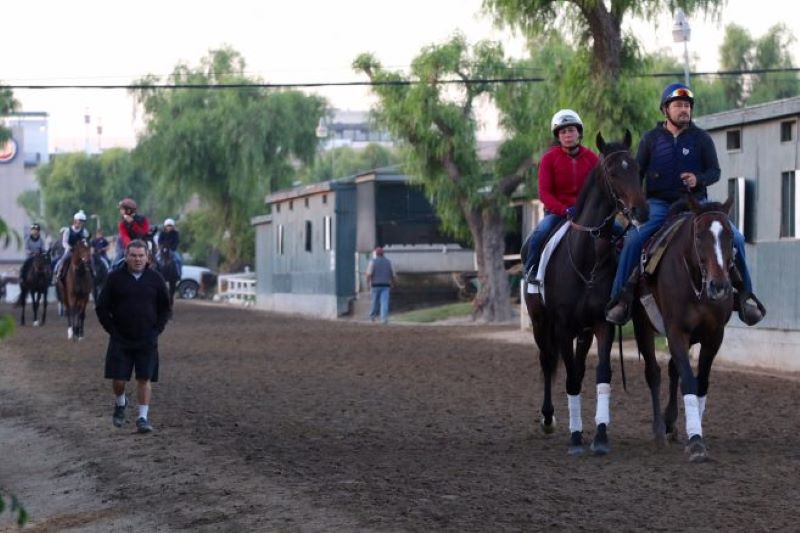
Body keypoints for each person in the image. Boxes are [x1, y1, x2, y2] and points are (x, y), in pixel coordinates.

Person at [606, 82, 765, 326]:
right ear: (665, 110)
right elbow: (637, 175)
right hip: (659, 204)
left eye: (687, 106)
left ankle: (745, 297)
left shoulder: (701, 139)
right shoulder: (650, 139)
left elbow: (715, 171)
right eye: (678, 105)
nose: (684, 110)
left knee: (738, 239)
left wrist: (698, 178)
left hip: (697, 206)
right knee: (634, 240)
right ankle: (620, 299)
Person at [96, 239, 171, 434]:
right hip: (120, 338)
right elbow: (101, 307)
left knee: (144, 378)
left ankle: (142, 418)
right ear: (126, 257)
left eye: (141, 256)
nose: (137, 259)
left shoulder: (156, 279)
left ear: (148, 258)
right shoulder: (114, 278)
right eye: (133, 256)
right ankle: (121, 402)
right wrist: (112, 329)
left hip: (147, 338)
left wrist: (157, 329)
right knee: (119, 380)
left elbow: (165, 308)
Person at [523, 109, 599, 283]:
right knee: (540, 233)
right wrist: (564, 209)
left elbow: (598, 189)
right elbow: (544, 193)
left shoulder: (592, 158)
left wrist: (587, 208)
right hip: (557, 213)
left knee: (618, 232)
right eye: (563, 132)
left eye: (571, 130)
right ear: (558, 136)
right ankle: (531, 270)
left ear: (579, 132)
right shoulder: (549, 159)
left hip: (587, 214)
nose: (567, 135)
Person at [113, 197, 150, 269]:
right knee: (115, 264)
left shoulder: (143, 219)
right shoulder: (122, 223)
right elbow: (124, 236)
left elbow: (143, 233)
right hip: (128, 248)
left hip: (144, 247)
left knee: (157, 263)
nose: (120, 211)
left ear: (128, 210)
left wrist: (133, 224)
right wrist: (131, 247)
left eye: (122, 209)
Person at [53, 211, 90, 282]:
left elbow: (86, 241)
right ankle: (59, 273)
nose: (81, 223)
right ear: (75, 220)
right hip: (70, 250)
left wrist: (85, 246)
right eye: (80, 221)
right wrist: (68, 247)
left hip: (81, 252)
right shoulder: (68, 230)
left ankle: (93, 274)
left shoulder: (84, 231)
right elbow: (64, 242)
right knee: (63, 259)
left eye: (82, 222)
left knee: (89, 260)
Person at [366, 246, 396, 324]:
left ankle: (372, 316)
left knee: (374, 302)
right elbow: (392, 274)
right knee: (384, 302)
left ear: (376, 254)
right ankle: (384, 318)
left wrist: (368, 283)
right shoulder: (389, 262)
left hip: (375, 285)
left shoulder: (372, 262)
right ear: (383, 254)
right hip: (386, 285)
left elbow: (369, 274)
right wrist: (393, 283)